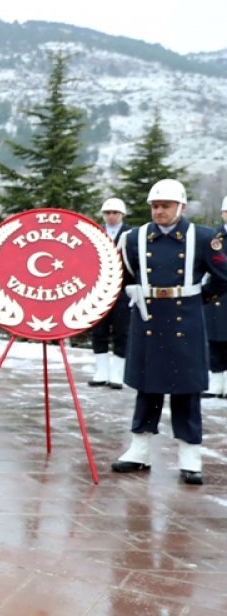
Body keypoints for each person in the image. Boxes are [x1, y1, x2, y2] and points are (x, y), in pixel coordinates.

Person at [112, 179, 227, 485]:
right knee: (147, 386)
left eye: (165, 206)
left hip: (184, 319)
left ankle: (190, 455)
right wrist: (132, 290)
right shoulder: (134, 238)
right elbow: (123, 273)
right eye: (155, 206)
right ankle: (140, 449)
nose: (159, 211)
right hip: (148, 318)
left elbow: (222, 277)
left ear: (182, 207)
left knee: (186, 389)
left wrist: (198, 298)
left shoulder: (202, 237)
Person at [88, 197, 131, 389]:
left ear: (122, 214)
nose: (111, 217)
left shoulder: (130, 234)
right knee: (99, 331)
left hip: (122, 290)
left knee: (122, 332)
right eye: (108, 213)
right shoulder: (94, 232)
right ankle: (101, 371)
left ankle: (117, 373)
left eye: (115, 213)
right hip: (98, 290)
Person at [203, 197, 227, 398]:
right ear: (222, 214)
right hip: (218, 296)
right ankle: (215, 384)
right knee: (215, 341)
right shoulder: (214, 237)